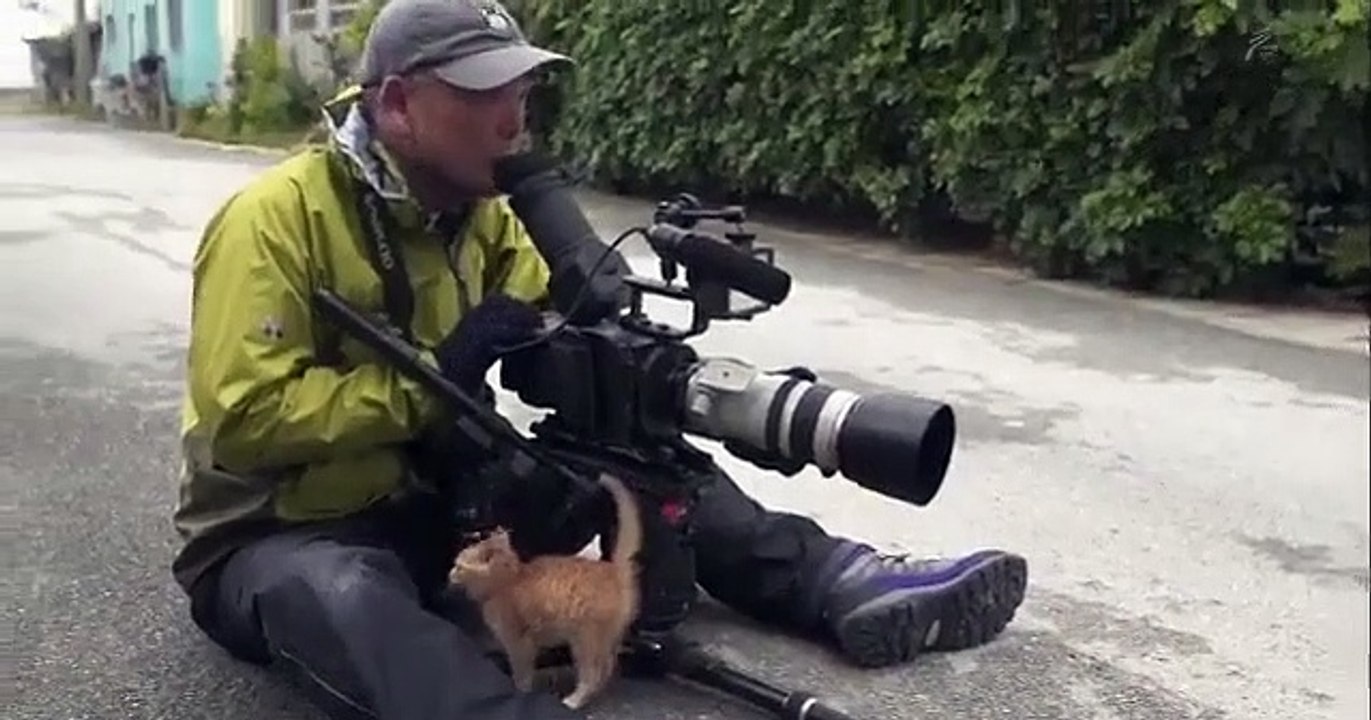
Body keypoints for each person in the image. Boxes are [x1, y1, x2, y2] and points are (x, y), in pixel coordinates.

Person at [171, 1, 1028, 719]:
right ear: (397, 105)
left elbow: (568, 324)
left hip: (436, 501)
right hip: (282, 531)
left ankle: (833, 579)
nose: (515, 120)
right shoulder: (273, 217)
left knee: (625, 468)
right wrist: (435, 377)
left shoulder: (487, 216)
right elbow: (244, 421)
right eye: (484, 96)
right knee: (347, 600)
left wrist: (634, 372)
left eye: (522, 93)